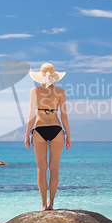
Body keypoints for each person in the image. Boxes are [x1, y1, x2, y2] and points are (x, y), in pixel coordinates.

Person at [25, 63, 71, 211]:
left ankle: (43, 205)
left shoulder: (35, 91)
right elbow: (64, 115)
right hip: (57, 130)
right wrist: (68, 135)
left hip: (39, 129)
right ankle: (52, 204)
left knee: (41, 168)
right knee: (54, 168)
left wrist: (27, 134)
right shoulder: (60, 92)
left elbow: (32, 115)